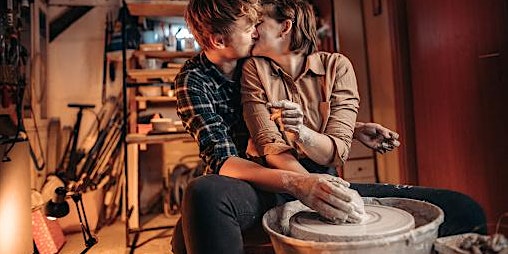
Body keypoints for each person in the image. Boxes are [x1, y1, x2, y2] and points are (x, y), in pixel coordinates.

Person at [171, 0, 484, 253]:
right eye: (249, 27)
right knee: (202, 195)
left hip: (309, 172)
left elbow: (288, 120)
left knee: (464, 210)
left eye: (258, 24)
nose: (255, 32)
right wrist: (301, 184)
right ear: (218, 40)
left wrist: (351, 128)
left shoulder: (257, 60)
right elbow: (226, 160)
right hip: (257, 181)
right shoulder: (197, 80)